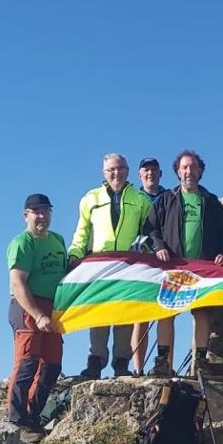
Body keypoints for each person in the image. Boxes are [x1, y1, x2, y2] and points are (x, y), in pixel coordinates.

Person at [142, 150, 223, 377]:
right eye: (184, 167)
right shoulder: (166, 199)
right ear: (178, 171)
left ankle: (199, 362)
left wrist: (221, 253)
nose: (189, 171)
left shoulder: (210, 202)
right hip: (174, 266)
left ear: (200, 171)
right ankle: (163, 362)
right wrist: (159, 247)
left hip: (202, 267)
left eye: (193, 167)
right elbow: (150, 229)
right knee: (166, 312)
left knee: (201, 314)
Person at [69, 153, 151, 379]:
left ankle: (121, 362)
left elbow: (148, 232)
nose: (116, 173)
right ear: (104, 173)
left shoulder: (140, 199)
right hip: (99, 263)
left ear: (127, 170)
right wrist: (75, 253)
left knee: (124, 313)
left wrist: (145, 255)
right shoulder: (90, 199)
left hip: (127, 264)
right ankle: (95, 360)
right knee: (99, 311)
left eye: (121, 168)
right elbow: (82, 231)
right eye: (111, 170)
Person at [6, 194, 66, 443]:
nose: (42, 216)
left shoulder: (58, 240)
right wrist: (38, 314)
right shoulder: (23, 243)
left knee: (51, 365)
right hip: (28, 307)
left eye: (46, 211)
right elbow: (18, 283)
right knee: (28, 362)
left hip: (53, 308)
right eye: (36, 211)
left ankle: (33, 417)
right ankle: (16, 421)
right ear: (26, 215)